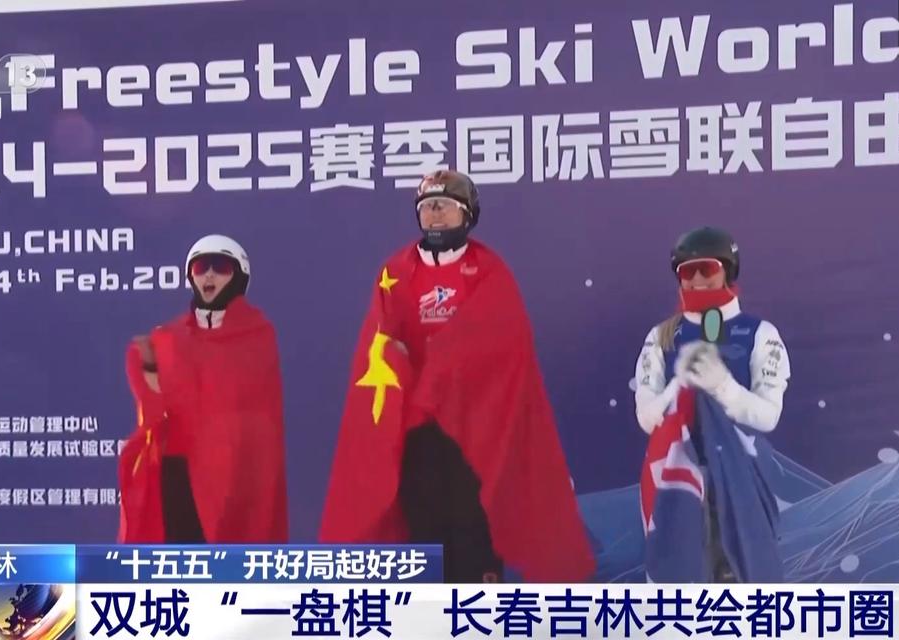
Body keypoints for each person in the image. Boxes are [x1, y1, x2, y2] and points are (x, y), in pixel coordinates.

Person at [320, 169, 595, 583]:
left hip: (475, 427)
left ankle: (479, 606)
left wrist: (433, 367)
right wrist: (401, 364)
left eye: (444, 206)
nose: (434, 214)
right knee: (423, 527)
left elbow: (501, 341)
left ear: (467, 215)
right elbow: (379, 343)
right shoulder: (396, 271)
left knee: (474, 526)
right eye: (427, 206)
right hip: (417, 428)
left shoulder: (488, 270)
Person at [634, 226, 791, 582]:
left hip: (741, 476)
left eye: (706, 268)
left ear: (728, 270)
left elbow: (768, 416)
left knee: (746, 578)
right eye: (687, 271)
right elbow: (646, 418)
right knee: (681, 579)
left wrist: (723, 386)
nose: (697, 279)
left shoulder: (761, 333)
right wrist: (679, 384)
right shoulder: (661, 336)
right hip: (678, 479)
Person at [118, 234, 288, 543]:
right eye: (200, 267)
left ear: (239, 276)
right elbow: (156, 412)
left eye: (220, 266)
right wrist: (149, 368)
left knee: (230, 560)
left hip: (236, 477)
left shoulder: (258, 334)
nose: (209, 274)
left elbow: (256, 423)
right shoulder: (166, 339)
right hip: (178, 475)